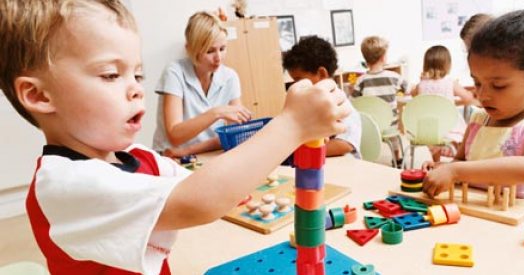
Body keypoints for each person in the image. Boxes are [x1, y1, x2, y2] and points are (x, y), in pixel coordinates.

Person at [0, 1, 351, 274]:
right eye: (110, 75)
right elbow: (198, 201)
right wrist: (291, 126)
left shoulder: (141, 157)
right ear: (39, 96)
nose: (136, 90)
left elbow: (214, 186)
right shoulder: (63, 183)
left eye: (137, 74)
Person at [422, 7, 524, 203]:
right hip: (477, 220)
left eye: (498, 86)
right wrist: (442, 168)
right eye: (477, 82)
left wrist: (455, 171)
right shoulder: (478, 120)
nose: (482, 95)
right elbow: (460, 162)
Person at [152, 11, 252, 158]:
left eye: (222, 48)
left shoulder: (230, 77)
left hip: (205, 154)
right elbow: (175, 135)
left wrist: (187, 151)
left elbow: (233, 136)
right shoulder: (174, 73)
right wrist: (216, 113)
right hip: (170, 158)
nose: (218, 58)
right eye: (209, 51)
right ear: (191, 49)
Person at [282, 36, 361, 158]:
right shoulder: (308, 105)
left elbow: (345, 144)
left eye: (299, 80)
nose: (295, 86)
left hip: (345, 167)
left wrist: (300, 151)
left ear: (321, 74)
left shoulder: (341, 105)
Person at [411, 45, 477, 162]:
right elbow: (468, 98)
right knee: (463, 131)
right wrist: (454, 102)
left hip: (428, 130)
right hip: (449, 127)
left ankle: (435, 162)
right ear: (447, 64)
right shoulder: (450, 82)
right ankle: (458, 160)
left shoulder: (421, 84)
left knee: (435, 134)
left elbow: (414, 95)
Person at [352, 36, 408, 166]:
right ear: (383, 57)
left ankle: (366, 159)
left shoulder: (361, 81)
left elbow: (354, 103)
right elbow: (407, 89)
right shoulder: (394, 77)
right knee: (394, 131)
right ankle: (397, 158)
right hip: (390, 126)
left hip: (370, 127)